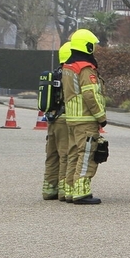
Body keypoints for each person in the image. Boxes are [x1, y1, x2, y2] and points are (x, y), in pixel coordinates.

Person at [62, 29, 107, 205]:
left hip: (72, 119)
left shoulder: (68, 67)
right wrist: (101, 116)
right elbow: (91, 95)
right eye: (93, 45)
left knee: (74, 154)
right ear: (87, 46)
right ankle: (81, 192)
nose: (94, 48)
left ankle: (70, 190)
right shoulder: (85, 69)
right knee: (87, 154)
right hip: (86, 119)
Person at [43, 42, 72, 201]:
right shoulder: (69, 76)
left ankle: (49, 189)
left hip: (52, 119)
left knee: (51, 155)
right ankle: (63, 190)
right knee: (65, 154)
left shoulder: (55, 74)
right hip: (64, 119)